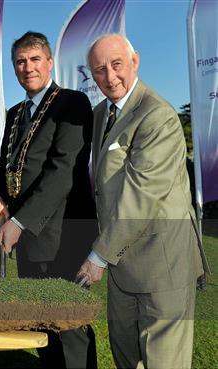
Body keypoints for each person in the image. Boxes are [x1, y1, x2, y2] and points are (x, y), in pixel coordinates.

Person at [77, 33, 209, 369]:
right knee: (126, 357)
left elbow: (141, 195)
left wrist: (97, 256)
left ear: (135, 61)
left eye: (116, 65)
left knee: (163, 362)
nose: (110, 77)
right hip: (122, 266)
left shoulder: (158, 116)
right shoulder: (98, 114)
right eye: (99, 71)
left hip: (163, 265)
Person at [0, 31, 97, 368]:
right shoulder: (15, 112)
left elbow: (62, 169)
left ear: (49, 62)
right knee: (39, 326)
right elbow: (4, 165)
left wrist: (19, 222)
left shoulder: (72, 102)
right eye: (20, 61)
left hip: (64, 236)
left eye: (35, 59)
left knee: (69, 325)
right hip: (28, 239)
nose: (28, 67)